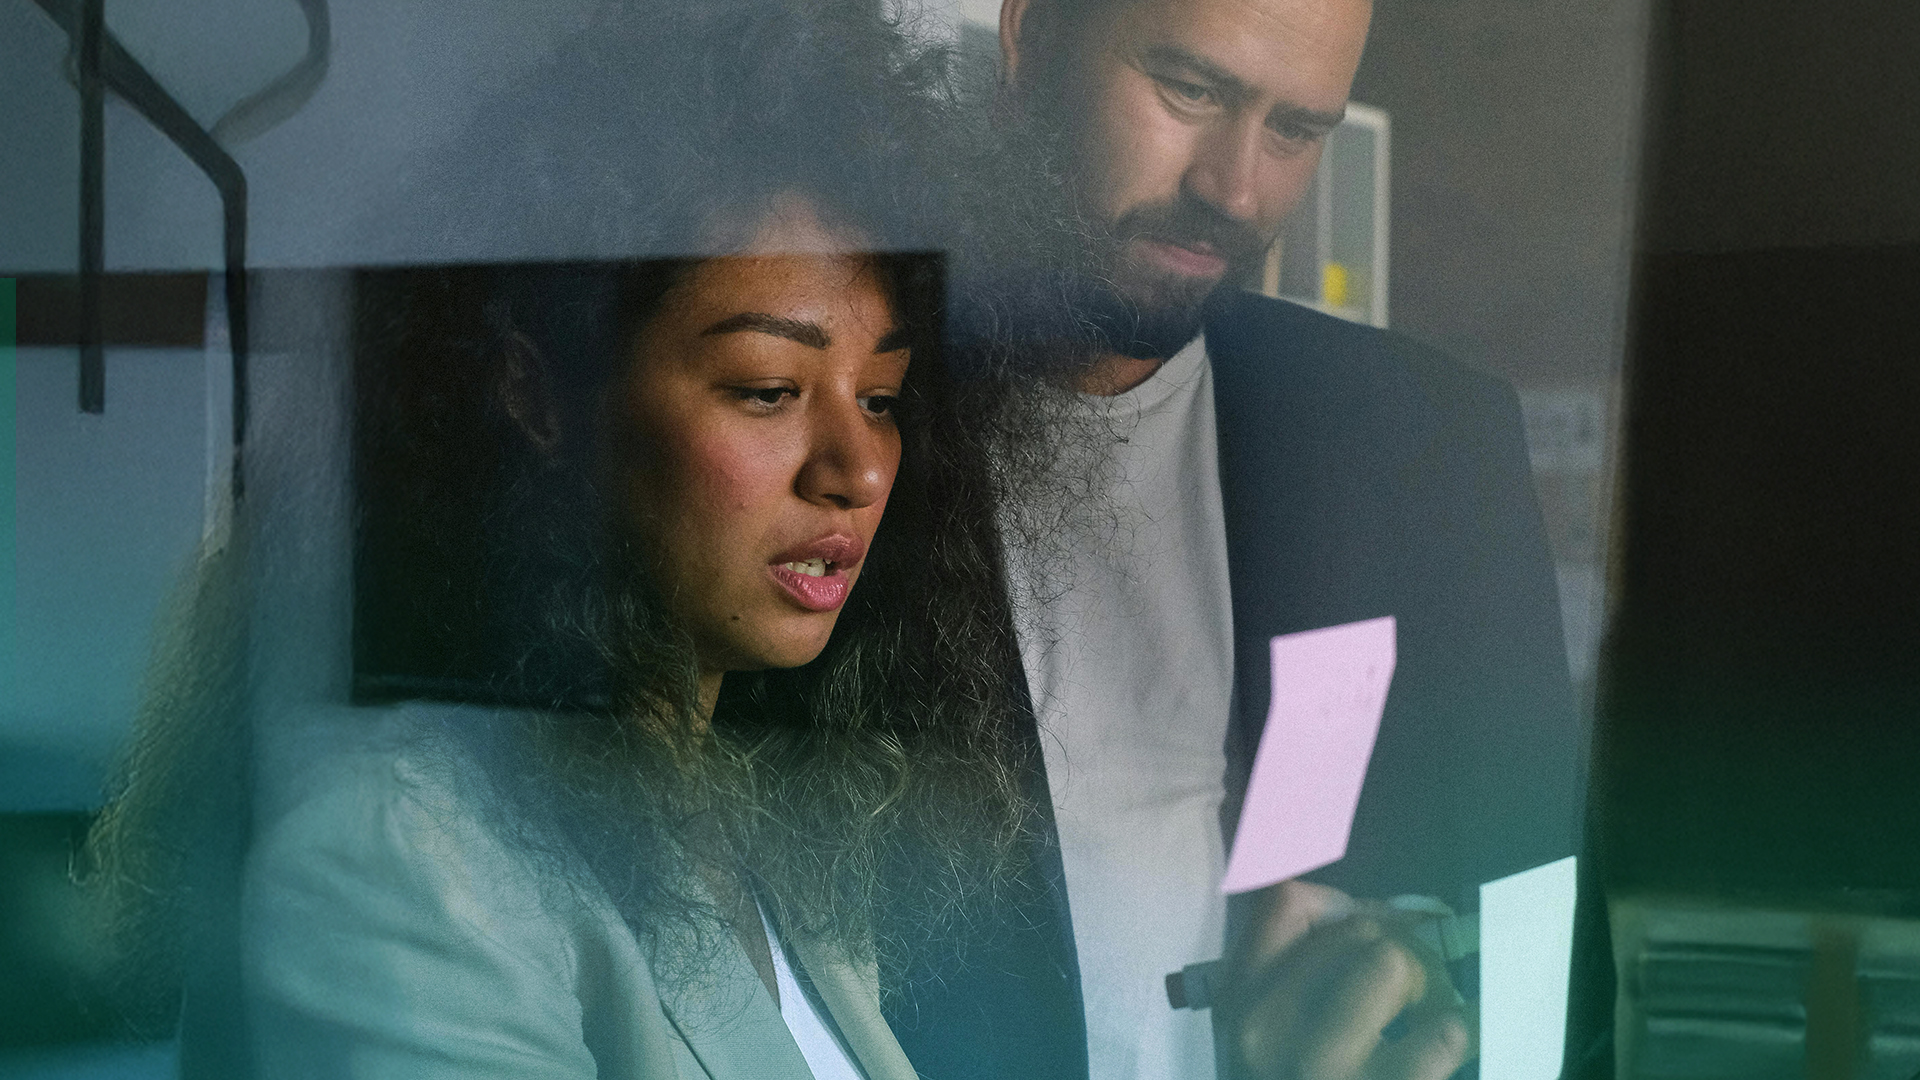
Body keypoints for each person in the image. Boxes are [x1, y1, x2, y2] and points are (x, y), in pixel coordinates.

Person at [84, 6, 1046, 1076]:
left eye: (881, 397)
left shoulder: (745, 818)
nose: (858, 470)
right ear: (536, 395)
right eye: (768, 391)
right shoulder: (400, 856)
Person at [883, 0, 1584, 1077]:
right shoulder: (837, 416)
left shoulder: (1420, 441)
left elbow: (1543, 945)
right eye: (1192, 90)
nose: (1235, 189)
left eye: (1298, 130)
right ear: (1031, 38)